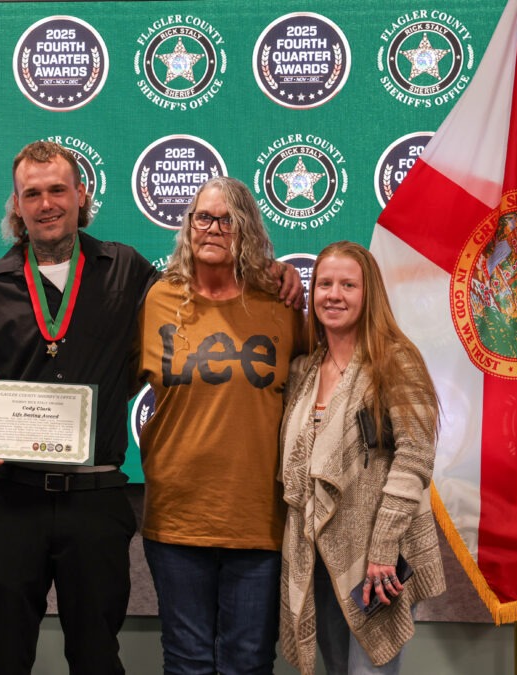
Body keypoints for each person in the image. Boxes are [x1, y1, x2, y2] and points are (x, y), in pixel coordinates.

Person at [0, 141, 304, 674]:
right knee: (4, 652)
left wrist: (270, 268)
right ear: (16, 206)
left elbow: (209, 294)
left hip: (95, 501)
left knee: (96, 653)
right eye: (32, 194)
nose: (46, 204)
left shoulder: (129, 271)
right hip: (12, 500)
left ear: (80, 195)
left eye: (57, 190)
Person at [136, 176, 306, 674]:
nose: (212, 228)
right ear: (188, 226)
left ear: (247, 228)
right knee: (186, 662)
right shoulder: (157, 300)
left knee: (248, 662)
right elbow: (107, 381)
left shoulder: (281, 303)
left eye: (225, 219)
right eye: (201, 218)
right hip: (175, 516)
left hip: (259, 519)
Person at [278, 241, 445, 675]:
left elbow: (414, 459)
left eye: (348, 285)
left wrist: (384, 548)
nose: (334, 295)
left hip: (376, 560)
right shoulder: (304, 370)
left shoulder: (396, 361)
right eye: (325, 284)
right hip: (317, 556)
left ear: (369, 294)